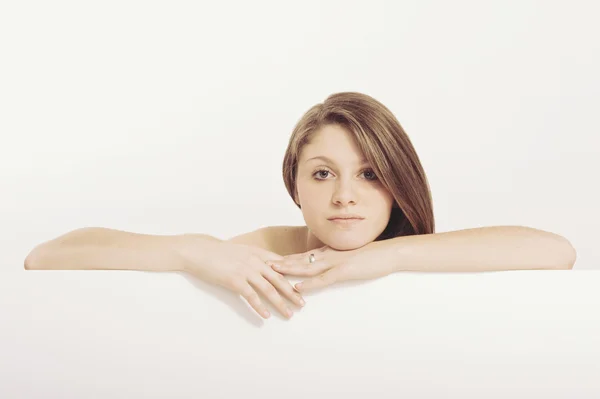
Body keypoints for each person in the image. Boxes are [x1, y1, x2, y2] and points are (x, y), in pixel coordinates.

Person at [23, 91, 577, 320]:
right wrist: (194, 251)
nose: (344, 195)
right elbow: (47, 257)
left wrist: (380, 259)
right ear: (296, 188)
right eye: (322, 174)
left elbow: (556, 251)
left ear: (398, 185)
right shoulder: (270, 253)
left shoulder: (422, 256)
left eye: (369, 174)